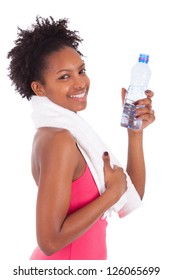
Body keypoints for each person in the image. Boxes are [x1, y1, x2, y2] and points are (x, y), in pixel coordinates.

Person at [7, 16, 155, 260]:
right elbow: (49, 241)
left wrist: (135, 133)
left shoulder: (72, 134)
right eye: (64, 76)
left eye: (81, 71)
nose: (80, 83)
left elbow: (130, 192)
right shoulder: (58, 140)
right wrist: (110, 194)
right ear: (39, 89)